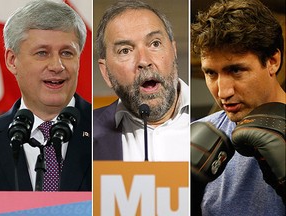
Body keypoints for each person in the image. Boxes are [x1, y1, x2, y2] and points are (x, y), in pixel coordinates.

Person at [191, 0, 285, 215]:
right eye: (211, 73)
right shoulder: (198, 138)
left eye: (236, 70)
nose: (223, 92)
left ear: (273, 61)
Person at [0, 0, 91, 191]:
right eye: (42, 53)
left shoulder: (108, 130)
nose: (57, 66)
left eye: (67, 53)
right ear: (12, 61)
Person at [93, 0, 189, 161]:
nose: (144, 61)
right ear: (106, 72)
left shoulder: (215, 123)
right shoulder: (84, 134)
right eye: (125, 51)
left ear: (174, 51)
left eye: (155, 43)